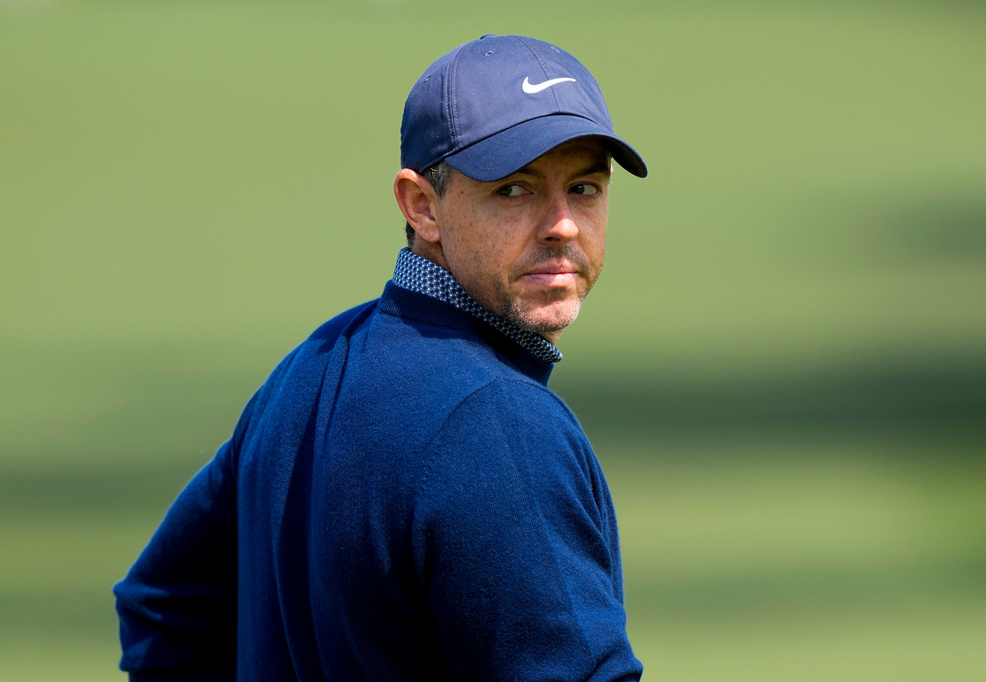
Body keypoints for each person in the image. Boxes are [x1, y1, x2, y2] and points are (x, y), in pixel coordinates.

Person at [114, 33, 648, 681]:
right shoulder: (499, 424)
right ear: (422, 206)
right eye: (515, 190)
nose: (562, 224)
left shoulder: (309, 370)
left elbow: (164, 611)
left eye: (586, 188)